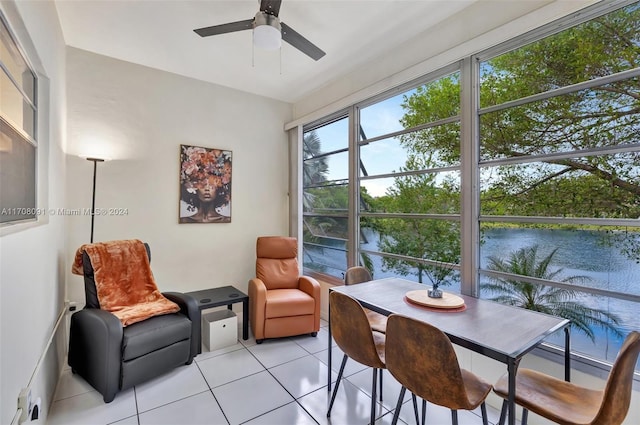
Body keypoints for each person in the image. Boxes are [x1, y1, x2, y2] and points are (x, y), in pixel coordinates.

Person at [179, 146, 231, 223]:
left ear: (219, 188)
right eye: (202, 184)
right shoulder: (184, 220)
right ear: (194, 188)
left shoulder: (226, 220)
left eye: (211, 185)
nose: (207, 189)